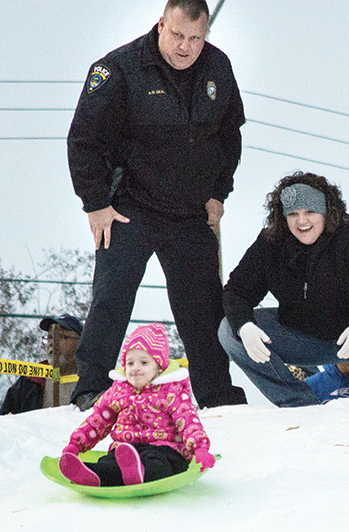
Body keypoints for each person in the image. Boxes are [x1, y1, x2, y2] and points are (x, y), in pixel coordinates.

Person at [66, 0, 246, 410]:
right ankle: (89, 388)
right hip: (131, 206)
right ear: (161, 24)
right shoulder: (119, 70)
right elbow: (83, 140)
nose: (185, 47)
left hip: (190, 212)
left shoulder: (219, 68)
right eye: (178, 35)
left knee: (203, 307)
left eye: (196, 39)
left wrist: (220, 191)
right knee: (112, 296)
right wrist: (95, 204)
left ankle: (218, 396)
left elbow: (230, 134)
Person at [218, 171, 349, 408]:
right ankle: (299, 404)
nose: (301, 221)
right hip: (301, 338)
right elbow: (236, 291)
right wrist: (244, 326)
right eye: (293, 214)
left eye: (310, 212)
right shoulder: (271, 243)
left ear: (327, 211)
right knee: (228, 330)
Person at [58, 323, 215, 487]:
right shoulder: (118, 391)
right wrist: (75, 444)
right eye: (130, 363)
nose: (135, 369)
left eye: (144, 363)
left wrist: (199, 449)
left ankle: (139, 473)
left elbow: (188, 420)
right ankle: (90, 474)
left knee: (159, 465)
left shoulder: (171, 391)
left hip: (165, 449)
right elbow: (97, 420)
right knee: (110, 463)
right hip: (126, 450)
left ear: (159, 367)